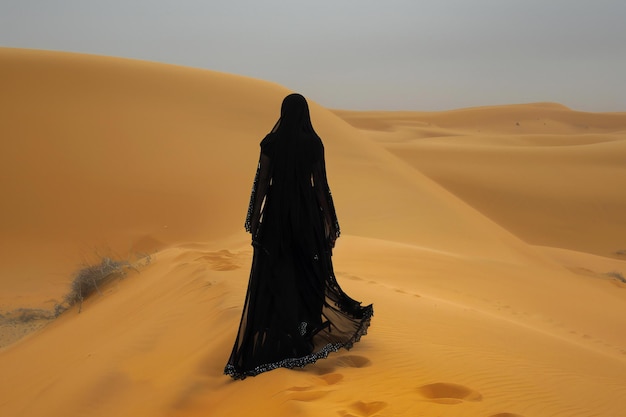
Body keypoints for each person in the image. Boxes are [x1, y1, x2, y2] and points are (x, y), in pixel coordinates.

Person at [224, 93, 373, 380]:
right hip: (307, 218)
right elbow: (321, 187)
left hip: (277, 219)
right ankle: (303, 332)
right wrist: (331, 223)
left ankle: (286, 333)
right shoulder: (313, 143)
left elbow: (262, 182)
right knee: (308, 272)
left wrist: (253, 221)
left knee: (279, 274)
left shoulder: (270, 143)